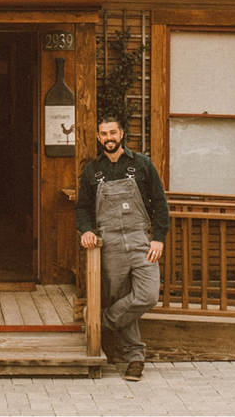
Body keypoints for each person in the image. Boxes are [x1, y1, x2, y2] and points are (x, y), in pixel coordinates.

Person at [75, 115, 170, 382]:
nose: (109, 138)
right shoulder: (92, 171)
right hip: (111, 244)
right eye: (103, 134)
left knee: (148, 294)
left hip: (141, 241)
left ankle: (100, 320)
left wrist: (158, 238)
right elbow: (82, 208)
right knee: (121, 298)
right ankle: (135, 359)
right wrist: (87, 231)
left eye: (113, 133)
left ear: (122, 134)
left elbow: (160, 204)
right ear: (98, 137)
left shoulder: (142, 164)